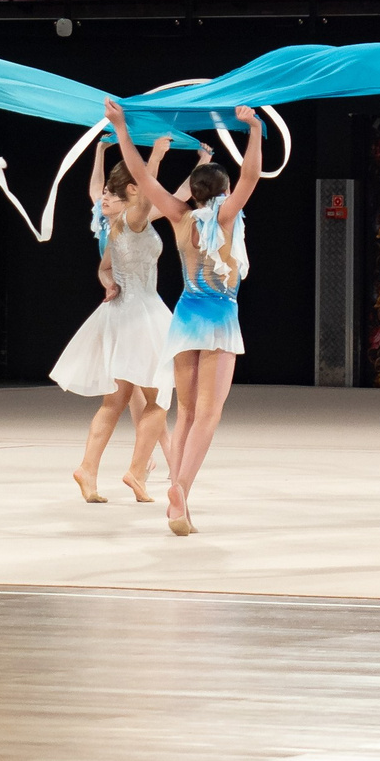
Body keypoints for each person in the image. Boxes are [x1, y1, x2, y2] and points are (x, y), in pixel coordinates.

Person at [109, 101, 260, 536]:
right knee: (209, 416)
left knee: (187, 415)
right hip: (219, 320)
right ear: (224, 190)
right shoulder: (228, 216)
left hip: (184, 318)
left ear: (192, 192)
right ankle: (180, 490)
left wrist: (121, 127)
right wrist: (252, 128)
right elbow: (251, 176)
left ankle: (180, 504)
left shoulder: (178, 216)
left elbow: (141, 177)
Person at [53, 104, 178, 505]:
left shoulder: (116, 224)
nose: (103, 196)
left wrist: (108, 283)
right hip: (142, 315)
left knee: (117, 399)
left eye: (110, 191)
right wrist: (154, 156)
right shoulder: (135, 218)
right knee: (158, 399)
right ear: (134, 193)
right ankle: (137, 471)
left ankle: (88, 469)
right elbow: (147, 183)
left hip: (121, 315)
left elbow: (104, 267)